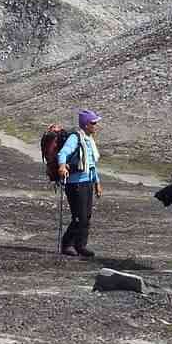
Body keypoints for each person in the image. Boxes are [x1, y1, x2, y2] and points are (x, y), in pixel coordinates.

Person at [56, 109, 103, 257]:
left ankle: (81, 245)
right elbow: (63, 153)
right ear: (86, 124)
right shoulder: (75, 138)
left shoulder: (89, 140)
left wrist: (97, 183)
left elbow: (91, 164)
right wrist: (62, 166)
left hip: (87, 181)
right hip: (75, 183)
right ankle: (67, 244)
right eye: (93, 123)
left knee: (86, 216)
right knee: (79, 216)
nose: (96, 126)